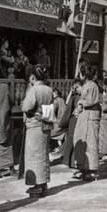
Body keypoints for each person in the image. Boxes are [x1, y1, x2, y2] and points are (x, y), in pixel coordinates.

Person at [21, 64, 54, 197]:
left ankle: (36, 184)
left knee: (33, 156)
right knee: (43, 155)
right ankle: (43, 182)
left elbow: (26, 107)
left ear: (33, 76)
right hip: (45, 122)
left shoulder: (34, 90)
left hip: (34, 125)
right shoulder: (49, 90)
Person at [73, 63, 101, 181]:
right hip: (85, 116)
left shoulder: (93, 85)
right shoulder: (87, 85)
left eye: (81, 72)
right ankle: (84, 166)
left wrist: (80, 103)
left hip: (91, 116)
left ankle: (92, 169)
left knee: (91, 142)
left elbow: (90, 100)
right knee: (83, 140)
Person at [58, 79, 82, 169]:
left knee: (77, 139)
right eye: (75, 87)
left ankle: (74, 161)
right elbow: (67, 103)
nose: (76, 89)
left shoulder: (83, 95)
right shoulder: (74, 96)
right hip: (73, 118)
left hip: (80, 118)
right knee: (71, 139)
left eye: (78, 87)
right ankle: (67, 160)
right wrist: (71, 92)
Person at [48, 88, 66, 162]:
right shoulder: (62, 100)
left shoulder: (55, 101)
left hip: (56, 127)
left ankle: (48, 154)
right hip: (63, 125)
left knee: (46, 133)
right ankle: (59, 150)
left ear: (55, 93)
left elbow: (52, 113)